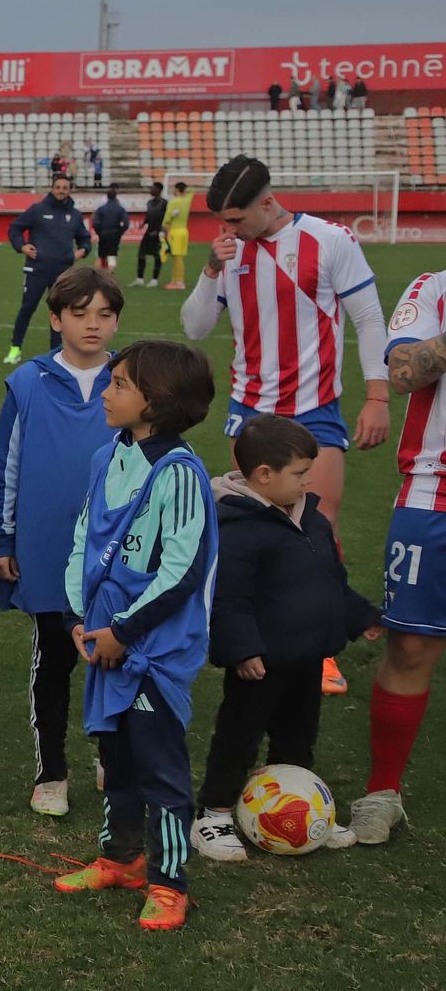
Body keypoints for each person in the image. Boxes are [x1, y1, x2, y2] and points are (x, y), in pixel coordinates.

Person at [181, 155, 390, 695]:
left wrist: (376, 395)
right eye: (222, 222)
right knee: (257, 535)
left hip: (316, 408)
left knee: (318, 530)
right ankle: (255, 637)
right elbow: (196, 327)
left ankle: (319, 645)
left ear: (268, 204)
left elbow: (368, 319)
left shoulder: (329, 240)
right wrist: (209, 268)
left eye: (236, 219)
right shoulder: (229, 254)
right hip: (250, 412)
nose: (228, 230)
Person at [52, 339, 217, 932]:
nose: (106, 391)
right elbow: (83, 540)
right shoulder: (108, 456)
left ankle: (169, 881)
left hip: (152, 645)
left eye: (119, 383)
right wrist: (78, 618)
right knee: (115, 755)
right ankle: (120, 858)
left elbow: (183, 569)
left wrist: (124, 630)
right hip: (103, 634)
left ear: (158, 401)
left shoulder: (180, 474)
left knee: (159, 763)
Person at [190, 415, 379, 862]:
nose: (307, 481)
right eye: (299, 473)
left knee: (298, 738)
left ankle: (296, 808)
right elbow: (228, 598)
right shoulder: (236, 527)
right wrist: (241, 649)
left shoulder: (309, 518)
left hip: (307, 656)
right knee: (239, 737)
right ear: (263, 474)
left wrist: (360, 614)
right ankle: (213, 814)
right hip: (260, 663)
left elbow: (331, 581)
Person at [0, 267, 122, 816]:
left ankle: (111, 753)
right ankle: (52, 771)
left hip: (116, 550)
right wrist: (1, 536)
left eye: (106, 314)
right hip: (46, 546)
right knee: (54, 662)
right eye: (81, 313)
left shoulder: (133, 380)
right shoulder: (29, 382)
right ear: (56, 318)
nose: (93, 325)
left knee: (114, 655)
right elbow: (7, 465)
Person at [346, 266, 446, 844]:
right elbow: (402, 372)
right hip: (434, 492)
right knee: (411, 644)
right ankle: (384, 790)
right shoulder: (432, 288)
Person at [2, 174, 89, 364]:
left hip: (63, 273)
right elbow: (15, 228)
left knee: (59, 313)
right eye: (58, 187)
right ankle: (15, 349)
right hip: (37, 270)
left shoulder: (74, 215)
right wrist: (22, 246)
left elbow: (84, 238)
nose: (61, 191)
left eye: (65, 188)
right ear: (52, 188)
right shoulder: (37, 209)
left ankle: (56, 354)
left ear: (69, 190)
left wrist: (81, 251)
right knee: (27, 309)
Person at [158, 181, 193, 290]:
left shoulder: (173, 202)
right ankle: (175, 280)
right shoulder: (187, 200)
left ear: (177, 190)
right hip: (184, 231)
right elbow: (191, 191)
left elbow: (167, 219)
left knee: (177, 258)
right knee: (178, 257)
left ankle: (179, 282)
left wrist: (163, 230)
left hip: (175, 232)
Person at [133, 182, 166, 289]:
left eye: (153, 188)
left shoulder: (164, 203)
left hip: (158, 234)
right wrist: (143, 224)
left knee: (157, 256)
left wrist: (161, 230)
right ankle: (140, 279)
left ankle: (154, 280)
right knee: (141, 255)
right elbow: (149, 215)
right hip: (148, 232)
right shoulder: (150, 202)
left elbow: (166, 219)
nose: (151, 190)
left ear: (159, 190)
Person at [91, 187, 129, 274]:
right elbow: (126, 223)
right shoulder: (120, 209)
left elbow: (95, 222)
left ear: (107, 197)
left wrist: (99, 232)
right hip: (115, 233)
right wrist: (120, 232)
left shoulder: (101, 209)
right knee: (112, 254)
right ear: (116, 197)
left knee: (102, 255)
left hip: (103, 234)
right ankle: (110, 272)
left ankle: (99, 274)